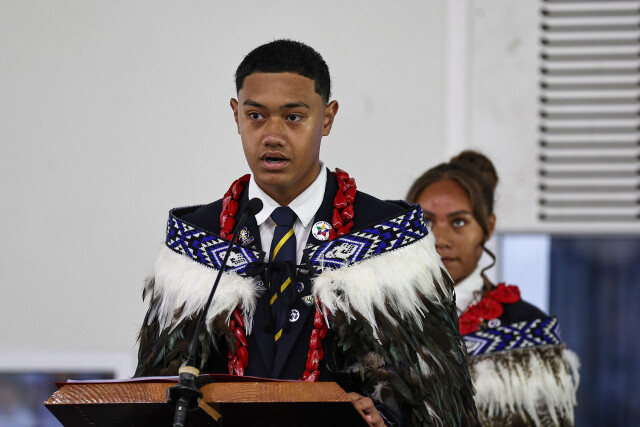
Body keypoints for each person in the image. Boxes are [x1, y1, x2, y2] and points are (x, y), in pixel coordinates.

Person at [135, 40, 478, 426]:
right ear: (235, 115)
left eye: (293, 117)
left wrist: (384, 415)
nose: (272, 135)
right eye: (255, 115)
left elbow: (438, 400)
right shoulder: (197, 240)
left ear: (327, 118)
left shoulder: (389, 237)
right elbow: (153, 396)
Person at [406, 151, 580, 427]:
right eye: (425, 221)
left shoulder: (526, 328)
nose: (439, 239)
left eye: (459, 222)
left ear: (487, 228)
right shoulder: (377, 320)